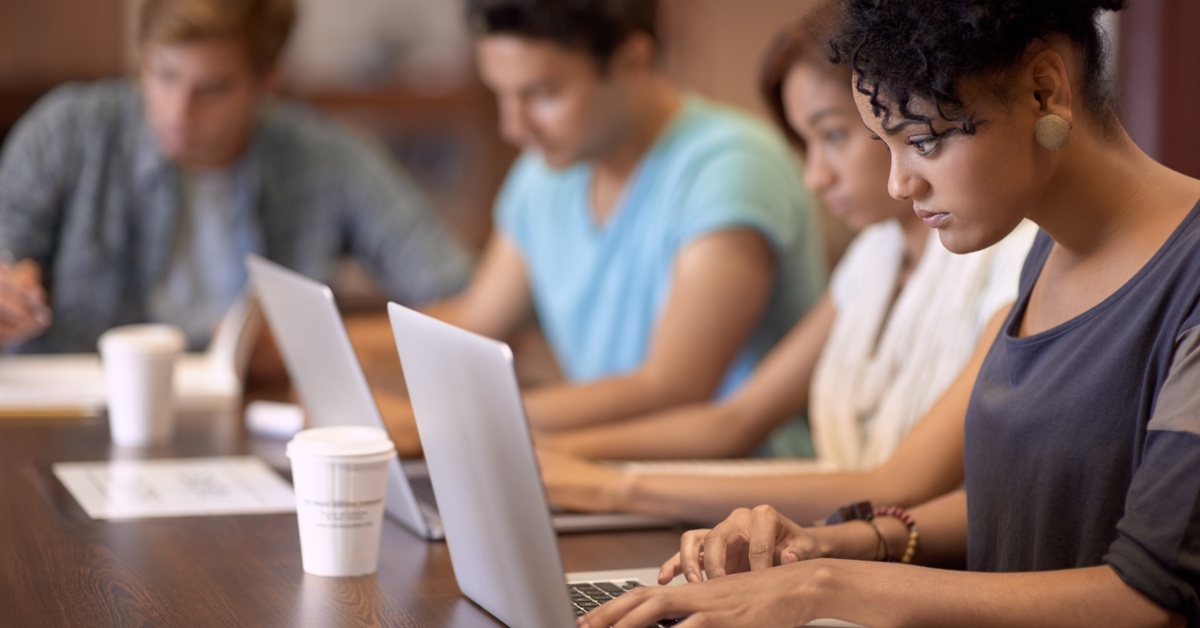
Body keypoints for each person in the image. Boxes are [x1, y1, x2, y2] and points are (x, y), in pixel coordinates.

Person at [582, 0, 1200, 625]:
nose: (899, 184)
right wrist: (832, 543)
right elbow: (1033, 506)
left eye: (922, 142)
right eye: (886, 146)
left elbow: (1147, 598)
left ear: (1044, 91)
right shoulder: (1050, 248)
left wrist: (822, 586)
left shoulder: (1188, 274)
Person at [535, 4, 1034, 524]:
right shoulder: (875, 257)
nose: (815, 176)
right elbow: (736, 418)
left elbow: (895, 486)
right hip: (844, 549)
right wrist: (553, 452)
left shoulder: (1012, 254)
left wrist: (615, 487)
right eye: (805, 142)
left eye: (834, 136)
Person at [418, 0, 826, 437]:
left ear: (633, 60)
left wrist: (444, 423)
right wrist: (351, 353)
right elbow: (475, 321)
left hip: (740, 490)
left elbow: (673, 387)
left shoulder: (732, 166)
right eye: (501, 94)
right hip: (611, 473)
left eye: (541, 94)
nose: (513, 127)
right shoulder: (546, 171)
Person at [0, 0, 471, 354]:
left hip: (251, 426)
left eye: (212, 89)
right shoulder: (66, 133)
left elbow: (461, 300)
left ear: (267, 82)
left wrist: (310, 345)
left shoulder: (328, 160)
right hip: (74, 419)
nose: (178, 111)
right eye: (164, 75)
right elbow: (7, 251)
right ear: (143, 58)